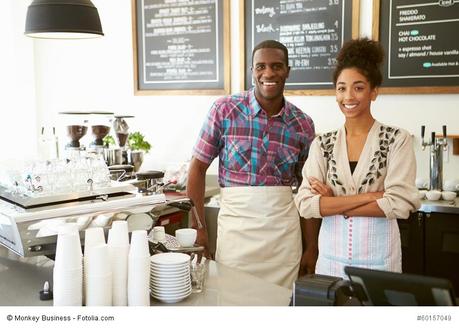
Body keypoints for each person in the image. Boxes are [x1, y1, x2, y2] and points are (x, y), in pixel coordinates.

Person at [187, 40, 315, 288]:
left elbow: (309, 189)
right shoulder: (224, 110)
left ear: (288, 70)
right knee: (234, 301)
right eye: (261, 66)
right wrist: (198, 227)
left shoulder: (303, 124)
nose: (268, 73)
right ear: (252, 70)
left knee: (281, 306)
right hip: (236, 234)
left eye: (277, 66)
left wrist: (312, 247)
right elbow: (197, 169)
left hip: (283, 238)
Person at [294, 38, 421, 279]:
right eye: (341, 88)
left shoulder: (396, 139)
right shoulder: (323, 144)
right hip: (330, 260)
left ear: (374, 92)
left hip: (379, 260)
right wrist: (371, 197)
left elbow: (401, 203)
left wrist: (333, 203)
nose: (348, 96)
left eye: (358, 87)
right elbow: (305, 204)